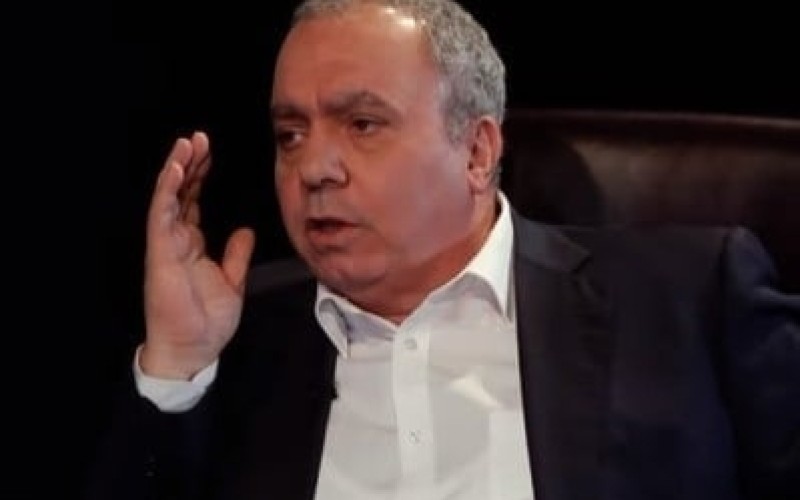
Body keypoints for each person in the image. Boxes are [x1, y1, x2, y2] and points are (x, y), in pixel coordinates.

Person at [87, 0, 799, 499]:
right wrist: (177, 366)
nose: (313, 168)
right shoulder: (239, 339)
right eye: (289, 135)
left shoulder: (689, 299)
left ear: (477, 152)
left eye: (362, 124)